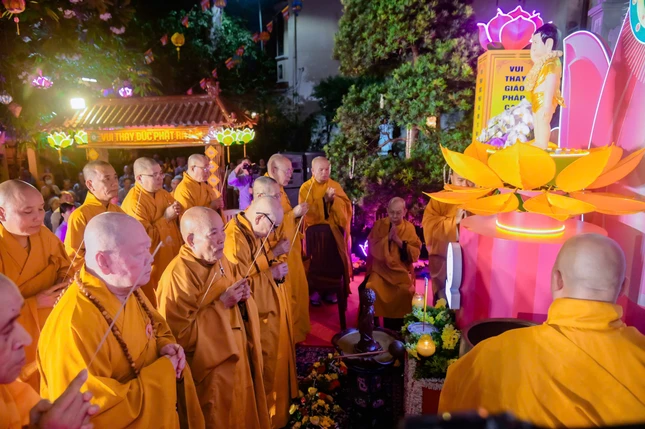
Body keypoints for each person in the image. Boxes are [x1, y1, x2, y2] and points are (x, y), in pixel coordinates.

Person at [439, 234, 645, 427]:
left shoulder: (489, 354)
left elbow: (454, 417)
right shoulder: (640, 354)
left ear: (557, 279)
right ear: (623, 287)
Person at [38, 213, 205, 428]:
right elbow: (92, 411)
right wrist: (163, 373)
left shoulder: (126, 287)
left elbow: (156, 328)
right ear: (103, 262)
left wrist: (164, 347)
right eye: (139, 253)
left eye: (148, 248)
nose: (151, 259)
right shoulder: (72, 325)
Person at [157, 207, 270, 429]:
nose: (222, 239)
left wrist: (243, 296)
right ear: (191, 240)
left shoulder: (219, 259)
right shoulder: (177, 277)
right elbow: (179, 337)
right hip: (211, 369)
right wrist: (221, 305)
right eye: (213, 234)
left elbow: (235, 283)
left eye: (222, 231)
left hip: (237, 353)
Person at [223, 196, 297, 429]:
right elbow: (238, 287)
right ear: (258, 218)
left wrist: (272, 262)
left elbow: (254, 266)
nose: (272, 234)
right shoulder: (235, 240)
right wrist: (271, 274)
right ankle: (265, 419)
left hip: (264, 309)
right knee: (262, 368)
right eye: (272, 227)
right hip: (251, 316)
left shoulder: (251, 230)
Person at [0, 274, 100, 429]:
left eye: (18, 321)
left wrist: (35, 425)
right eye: (7, 330)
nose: (27, 339)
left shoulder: (9, 392)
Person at [0, 180, 71, 390]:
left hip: (54, 328)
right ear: (2, 213)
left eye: (40, 208)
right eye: (27, 211)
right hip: (16, 341)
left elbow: (66, 267)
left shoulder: (45, 235)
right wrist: (34, 303)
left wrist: (63, 284)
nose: (38, 217)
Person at [121, 157, 182, 306]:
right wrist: (166, 217)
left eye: (160, 173)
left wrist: (178, 212)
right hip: (153, 265)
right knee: (157, 303)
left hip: (172, 256)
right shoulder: (135, 202)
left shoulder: (163, 194)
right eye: (154, 175)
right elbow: (143, 239)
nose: (160, 178)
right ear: (139, 178)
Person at [266, 154, 311, 343]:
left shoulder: (280, 190)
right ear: (273, 170)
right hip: (279, 252)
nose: (290, 174)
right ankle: (288, 337)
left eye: (292, 171)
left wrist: (296, 215)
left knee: (298, 289)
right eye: (287, 171)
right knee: (288, 293)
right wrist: (293, 214)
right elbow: (271, 222)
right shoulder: (268, 190)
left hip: (290, 249)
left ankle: (295, 334)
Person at [299, 156, 352, 306]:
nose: (324, 172)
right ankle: (314, 290)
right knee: (314, 262)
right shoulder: (306, 188)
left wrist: (334, 201)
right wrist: (324, 201)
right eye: (321, 170)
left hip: (333, 233)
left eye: (327, 169)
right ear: (313, 171)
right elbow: (306, 212)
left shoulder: (335, 185)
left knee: (335, 258)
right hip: (314, 236)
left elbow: (346, 206)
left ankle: (331, 290)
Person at [366, 197, 421, 329]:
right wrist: (387, 239)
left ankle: (399, 328)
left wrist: (398, 241)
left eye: (398, 213)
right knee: (371, 287)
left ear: (404, 211)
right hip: (380, 270)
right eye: (392, 212)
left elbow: (415, 253)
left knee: (404, 292)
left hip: (400, 271)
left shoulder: (409, 228)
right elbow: (372, 247)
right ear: (387, 210)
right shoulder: (379, 225)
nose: (395, 216)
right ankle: (374, 326)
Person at [422, 171, 473, 301]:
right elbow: (429, 227)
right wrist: (454, 222)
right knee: (445, 305)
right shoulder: (440, 199)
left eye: (470, 180)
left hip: (474, 266)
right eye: (460, 180)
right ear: (451, 179)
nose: (465, 185)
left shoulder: (483, 201)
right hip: (445, 265)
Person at [65, 161, 123, 275]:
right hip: (96, 278)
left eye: (115, 178)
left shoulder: (118, 211)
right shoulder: (80, 215)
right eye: (107, 179)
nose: (115, 183)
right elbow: (75, 258)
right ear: (90, 185)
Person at [526, 23, 565, 150]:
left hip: (545, 98)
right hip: (537, 97)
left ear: (548, 44)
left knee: (543, 120)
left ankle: (542, 143)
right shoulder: (541, 63)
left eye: (536, 43)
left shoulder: (552, 62)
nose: (533, 47)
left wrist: (548, 104)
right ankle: (539, 141)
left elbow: (551, 82)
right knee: (537, 120)